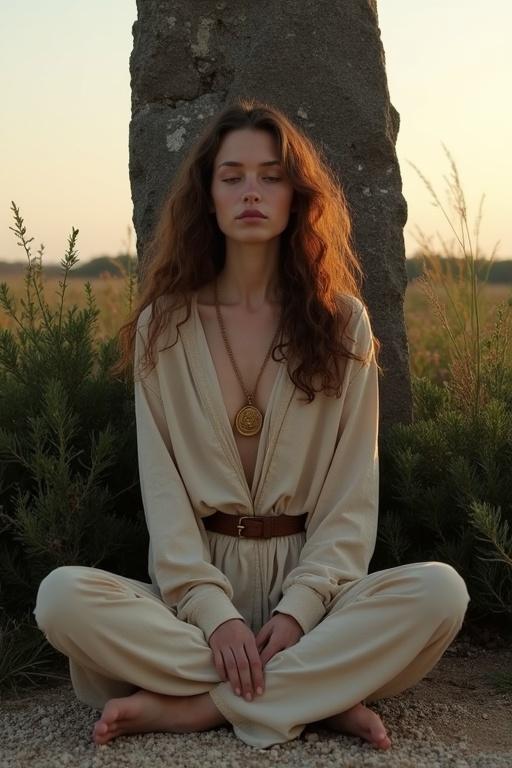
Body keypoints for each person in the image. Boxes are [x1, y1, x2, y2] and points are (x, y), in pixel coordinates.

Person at [34, 97, 470, 751]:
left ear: (297, 195)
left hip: (317, 601)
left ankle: (197, 705)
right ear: (207, 196)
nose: (251, 192)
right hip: (191, 600)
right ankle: (317, 695)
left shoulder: (342, 323)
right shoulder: (166, 327)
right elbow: (165, 497)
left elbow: (351, 503)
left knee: (441, 592)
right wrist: (215, 618)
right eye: (232, 176)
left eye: (270, 175)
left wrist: (298, 614)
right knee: (62, 599)